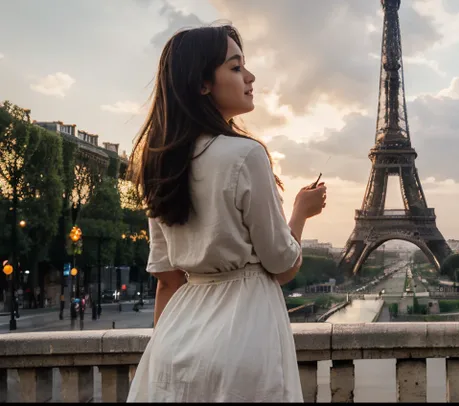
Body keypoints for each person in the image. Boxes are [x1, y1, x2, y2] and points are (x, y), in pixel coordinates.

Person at [125, 24, 327, 402]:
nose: (250, 77)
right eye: (235, 68)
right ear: (203, 83)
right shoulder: (245, 155)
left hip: (176, 342)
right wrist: (300, 211)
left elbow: (167, 281)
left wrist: (163, 359)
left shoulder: (158, 165)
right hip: (243, 340)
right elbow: (282, 266)